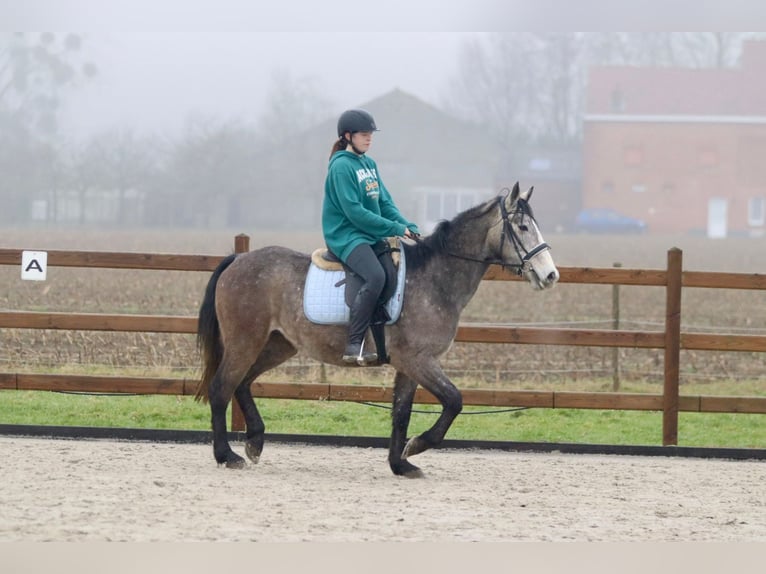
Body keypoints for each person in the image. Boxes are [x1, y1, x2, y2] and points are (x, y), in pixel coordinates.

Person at [322, 108, 420, 365]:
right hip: (346, 235)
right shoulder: (341, 167)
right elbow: (354, 212)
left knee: (389, 276)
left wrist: (405, 223)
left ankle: (378, 343)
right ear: (347, 136)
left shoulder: (369, 164)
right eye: (364, 134)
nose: (369, 139)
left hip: (368, 234)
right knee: (375, 276)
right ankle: (354, 344)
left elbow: (385, 203)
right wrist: (395, 229)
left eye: (370, 135)